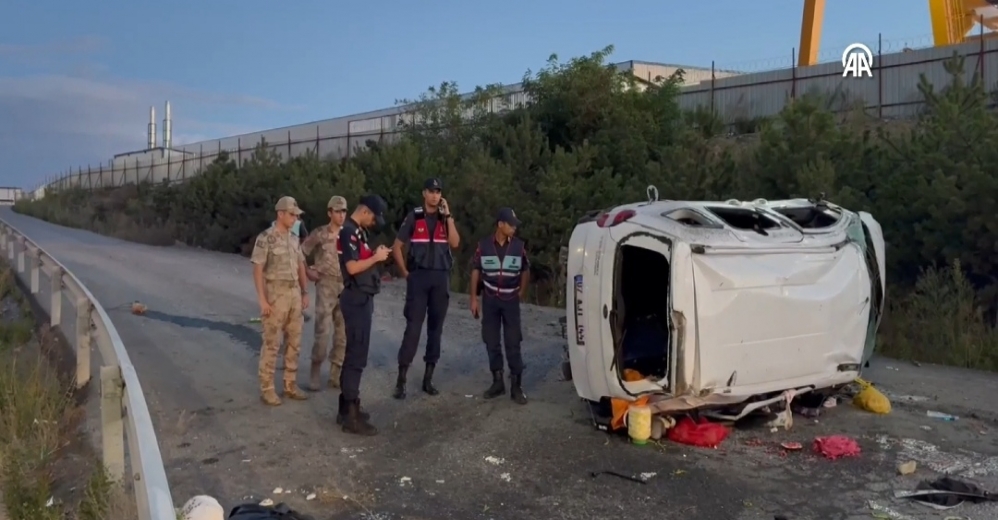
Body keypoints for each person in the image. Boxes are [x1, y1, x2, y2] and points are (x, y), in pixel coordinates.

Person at [390, 178, 461, 400]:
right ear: (424, 193)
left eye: (438, 191)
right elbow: (397, 247)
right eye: (431, 191)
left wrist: (448, 216)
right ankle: (401, 380)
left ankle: (428, 379)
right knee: (413, 328)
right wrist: (406, 274)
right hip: (419, 277)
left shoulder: (444, 218)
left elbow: (456, 243)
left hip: (440, 277)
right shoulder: (415, 216)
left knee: (435, 330)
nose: (434, 195)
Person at [337, 194, 391, 435]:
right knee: (356, 356)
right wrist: (376, 258)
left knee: (357, 353)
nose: (373, 223)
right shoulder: (348, 232)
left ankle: (347, 408)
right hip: (355, 299)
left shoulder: (358, 232)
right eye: (373, 217)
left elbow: (361, 259)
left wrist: (374, 254)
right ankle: (350, 414)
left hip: (363, 298)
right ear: (366, 211)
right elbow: (351, 267)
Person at [250, 196, 311, 406]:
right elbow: (257, 269)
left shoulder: (294, 239)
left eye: (296, 215)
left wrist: (304, 292)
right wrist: (262, 300)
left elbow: (301, 266)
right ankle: (267, 388)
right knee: (272, 343)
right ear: (281, 214)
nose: (295, 218)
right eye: (292, 214)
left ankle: (290, 384)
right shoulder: (266, 238)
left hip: (294, 295)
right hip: (275, 297)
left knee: (295, 342)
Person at [469, 207, 529, 405]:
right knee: (491, 340)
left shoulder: (519, 246)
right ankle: (497, 381)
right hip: (490, 300)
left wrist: (521, 292)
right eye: (511, 224)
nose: (514, 228)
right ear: (500, 225)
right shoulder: (484, 245)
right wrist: (473, 299)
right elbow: (476, 270)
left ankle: (516, 386)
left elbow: (525, 270)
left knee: (513, 342)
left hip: (510, 300)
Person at [301, 195, 348, 391]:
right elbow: (301, 252)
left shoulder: (350, 233)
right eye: (337, 211)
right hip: (326, 285)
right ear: (330, 213)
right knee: (323, 332)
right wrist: (308, 272)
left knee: (343, 334)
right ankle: (315, 370)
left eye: (344, 211)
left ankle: (335, 374)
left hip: (345, 286)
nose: (341, 215)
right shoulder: (320, 233)